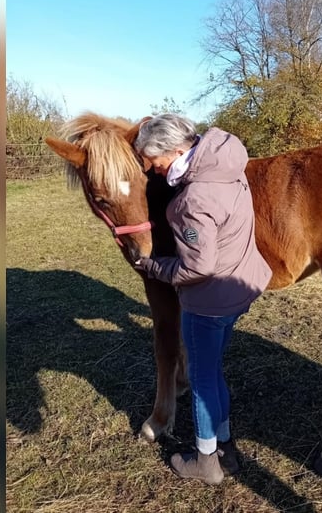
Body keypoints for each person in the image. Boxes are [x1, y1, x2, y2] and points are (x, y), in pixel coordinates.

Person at [133, 113, 272, 485]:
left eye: (154, 160)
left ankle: (206, 460)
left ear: (175, 150)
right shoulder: (227, 167)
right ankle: (225, 444)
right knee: (212, 372)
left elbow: (198, 268)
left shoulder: (193, 199)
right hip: (238, 288)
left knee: (200, 379)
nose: (153, 169)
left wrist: (154, 267)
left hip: (208, 303)